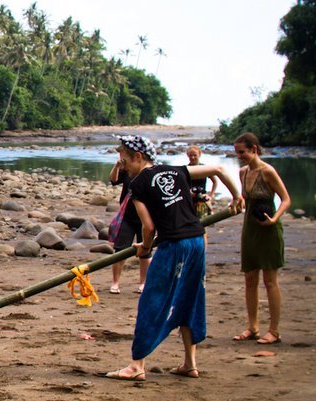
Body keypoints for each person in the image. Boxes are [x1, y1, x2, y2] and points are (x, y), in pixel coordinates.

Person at [105, 135, 241, 381]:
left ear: (138, 156)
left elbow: (148, 228)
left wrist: (145, 249)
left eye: (124, 156)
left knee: (152, 301)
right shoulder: (176, 170)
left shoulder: (138, 184)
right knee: (190, 298)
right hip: (197, 241)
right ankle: (190, 364)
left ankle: (136, 366)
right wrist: (236, 196)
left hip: (174, 245)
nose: (121, 161)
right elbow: (219, 169)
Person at [231, 132, 290, 345]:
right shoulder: (243, 172)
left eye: (242, 152)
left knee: (270, 280)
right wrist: (237, 201)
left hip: (269, 228)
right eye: (237, 153)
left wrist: (274, 219)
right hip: (250, 227)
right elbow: (245, 199)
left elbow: (285, 199)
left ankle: (274, 330)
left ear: (254, 149)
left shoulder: (268, 172)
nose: (239, 156)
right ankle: (253, 327)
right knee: (250, 279)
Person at [107, 156, 150, 294]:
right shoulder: (128, 170)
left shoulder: (149, 172)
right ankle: (115, 283)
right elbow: (113, 180)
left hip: (145, 218)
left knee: (145, 251)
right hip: (127, 216)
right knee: (120, 250)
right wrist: (117, 166)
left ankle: (143, 283)